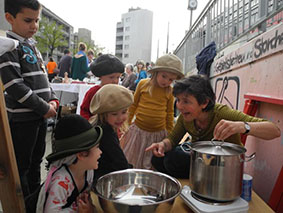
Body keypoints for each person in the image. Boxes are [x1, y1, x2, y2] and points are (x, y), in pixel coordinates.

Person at [146, 74, 281, 178]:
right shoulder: (186, 117)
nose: (179, 106)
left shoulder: (222, 113)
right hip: (201, 164)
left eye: (186, 101)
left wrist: (242, 126)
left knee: (174, 158)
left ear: (204, 102)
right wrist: (162, 145)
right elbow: (173, 139)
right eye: (179, 100)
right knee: (158, 158)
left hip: (224, 170)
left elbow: (274, 130)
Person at [0, 0, 58, 197]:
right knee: (22, 166)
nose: (34, 26)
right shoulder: (8, 47)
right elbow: (15, 87)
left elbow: (45, 80)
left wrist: (53, 99)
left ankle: (35, 200)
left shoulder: (32, 45)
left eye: (37, 20)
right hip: (22, 121)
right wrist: (44, 107)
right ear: (10, 18)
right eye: (28, 20)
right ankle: (24, 203)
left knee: (36, 162)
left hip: (39, 117)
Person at [121, 54, 184, 169]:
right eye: (164, 76)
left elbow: (170, 114)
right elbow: (133, 106)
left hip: (158, 134)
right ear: (156, 73)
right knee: (133, 160)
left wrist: (169, 134)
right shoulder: (143, 84)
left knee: (152, 164)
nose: (166, 81)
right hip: (138, 132)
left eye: (171, 79)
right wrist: (127, 123)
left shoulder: (170, 91)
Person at [36, 114, 102, 212]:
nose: (100, 152)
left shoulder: (88, 172)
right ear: (81, 155)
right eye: (97, 147)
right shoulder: (61, 182)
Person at [89, 84, 134, 182]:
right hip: (103, 177)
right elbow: (120, 162)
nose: (120, 118)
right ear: (103, 114)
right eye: (114, 114)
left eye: (124, 112)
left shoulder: (98, 125)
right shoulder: (106, 132)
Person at [80, 54, 124, 120]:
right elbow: (84, 110)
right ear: (100, 76)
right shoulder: (93, 92)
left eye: (118, 77)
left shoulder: (118, 92)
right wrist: (88, 123)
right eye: (111, 77)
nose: (115, 81)